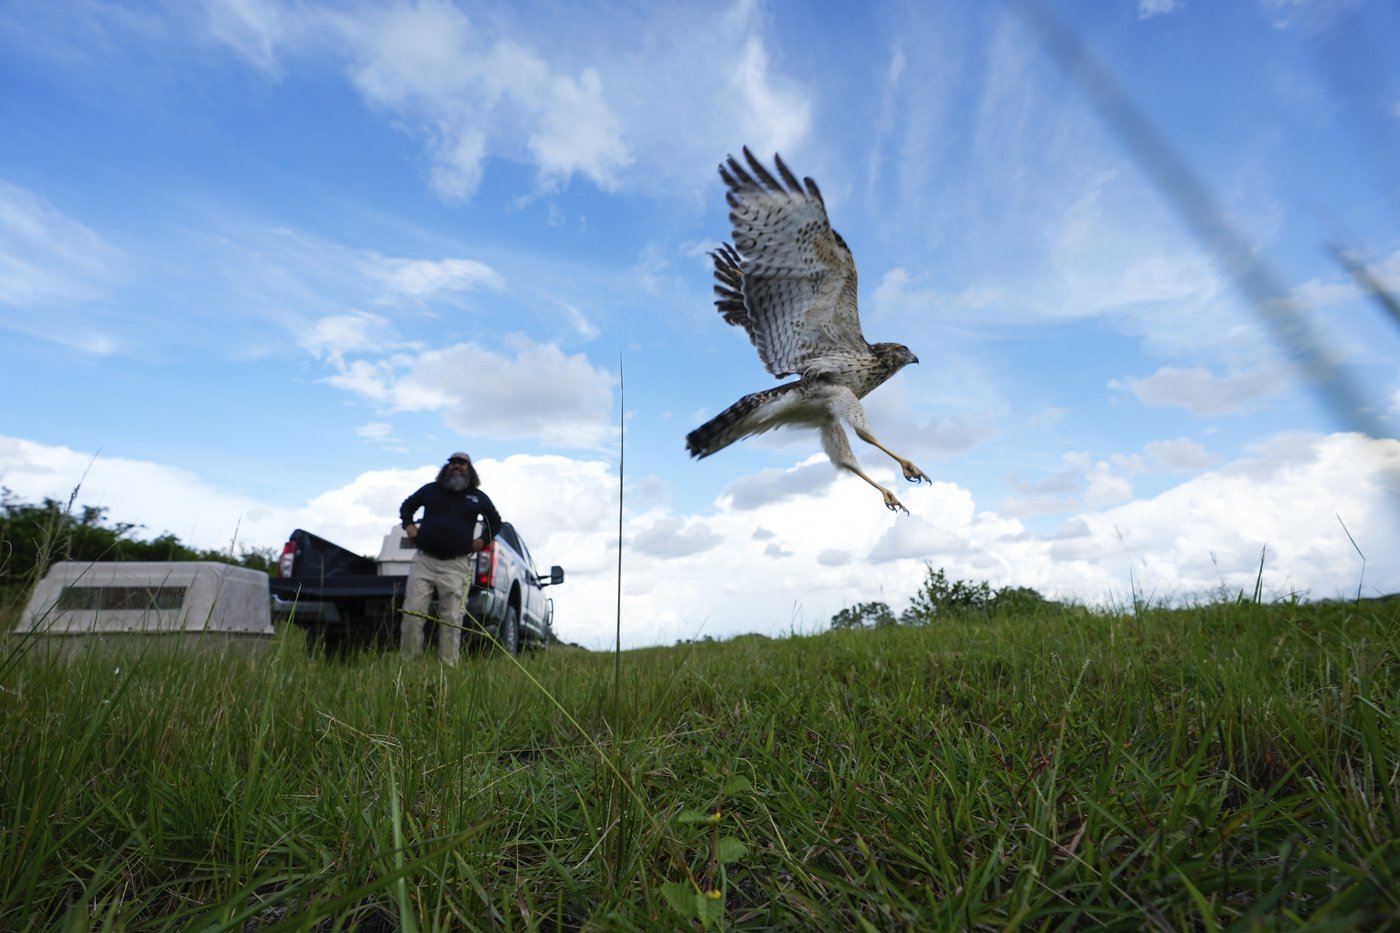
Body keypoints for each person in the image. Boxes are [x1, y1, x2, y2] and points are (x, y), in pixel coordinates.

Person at [398, 451, 502, 663]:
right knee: (412, 613)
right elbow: (407, 506)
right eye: (453, 462)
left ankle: (448, 667)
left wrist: (482, 540)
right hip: (424, 561)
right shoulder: (431, 490)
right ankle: (409, 665)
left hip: (456, 564)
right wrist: (409, 525)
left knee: (452, 618)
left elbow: (496, 521)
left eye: (462, 463)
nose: (457, 466)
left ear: (469, 469)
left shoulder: (477, 497)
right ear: (447, 467)